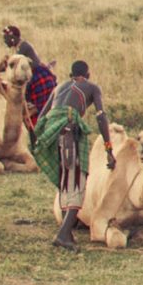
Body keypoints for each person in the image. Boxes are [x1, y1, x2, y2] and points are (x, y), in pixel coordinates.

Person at [33, 60, 114, 250]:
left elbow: (43, 115)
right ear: (88, 74)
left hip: (52, 134)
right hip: (70, 134)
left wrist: (42, 138)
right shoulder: (92, 87)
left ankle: (67, 230)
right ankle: (63, 234)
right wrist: (109, 149)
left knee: (65, 181)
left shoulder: (59, 87)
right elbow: (101, 117)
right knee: (78, 180)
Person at [4, 24, 57, 126]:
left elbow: (13, 65)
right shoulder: (19, 47)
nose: (5, 42)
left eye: (6, 39)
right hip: (31, 74)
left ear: (13, 38)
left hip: (36, 75)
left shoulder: (23, 47)